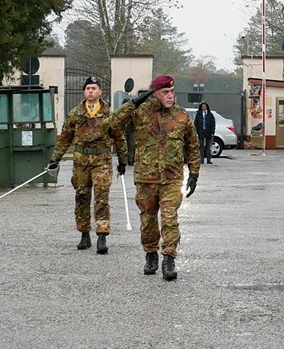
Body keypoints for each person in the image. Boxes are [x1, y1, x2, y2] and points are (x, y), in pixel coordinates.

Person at [109, 75, 201, 281]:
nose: (170, 96)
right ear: (155, 94)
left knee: (170, 219)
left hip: (171, 177)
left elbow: (193, 146)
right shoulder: (140, 113)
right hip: (146, 178)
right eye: (165, 92)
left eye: (172, 92)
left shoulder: (181, 116)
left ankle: (168, 258)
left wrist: (194, 173)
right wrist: (132, 103)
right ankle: (150, 254)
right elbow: (112, 123)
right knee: (148, 220)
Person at [48, 76, 128, 254]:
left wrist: (123, 160)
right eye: (88, 88)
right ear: (84, 92)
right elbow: (65, 138)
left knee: (101, 198)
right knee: (82, 197)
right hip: (81, 163)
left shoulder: (109, 114)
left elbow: (119, 138)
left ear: (100, 92)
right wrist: (55, 159)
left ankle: (102, 236)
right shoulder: (75, 113)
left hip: (102, 161)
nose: (91, 91)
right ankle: (85, 234)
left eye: (94, 88)